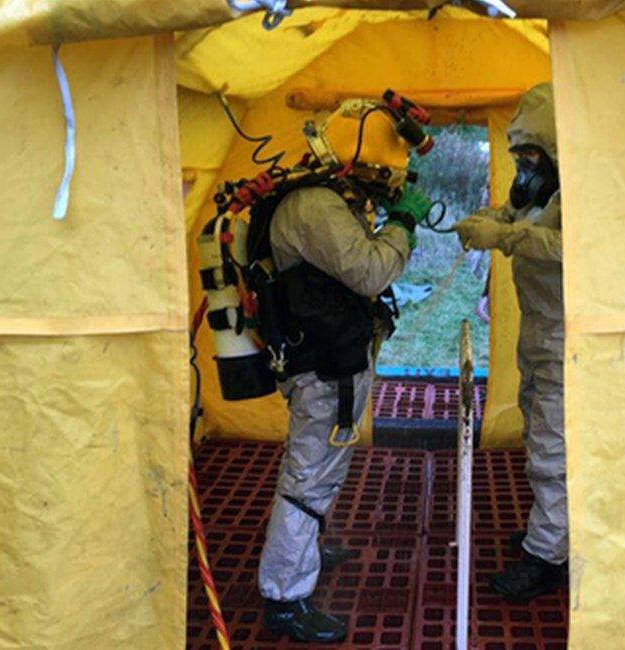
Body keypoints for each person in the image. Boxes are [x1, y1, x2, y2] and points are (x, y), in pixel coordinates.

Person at [257, 101, 432, 642]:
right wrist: (402, 222)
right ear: (360, 164)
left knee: (318, 469)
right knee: (310, 474)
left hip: (334, 357)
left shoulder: (325, 198)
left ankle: (302, 546)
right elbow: (371, 269)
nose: (386, 188)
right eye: (384, 175)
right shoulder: (316, 207)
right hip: (323, 367)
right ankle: (284, 596)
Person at [453, 83, 566, 603]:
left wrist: (504, 238)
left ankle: (546, 557)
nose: (523, 166)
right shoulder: (535, 188)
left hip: (569, 337)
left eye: (531, 155)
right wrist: (484, 223)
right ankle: (553, 530)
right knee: (536, 426)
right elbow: (510, 216)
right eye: (517, 155)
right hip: (539, 331)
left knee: (552, 447)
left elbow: (570, 247)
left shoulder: (582, 189)